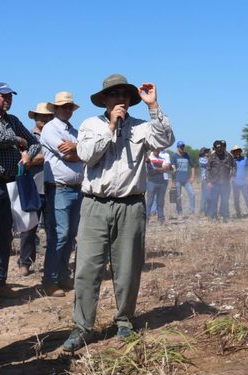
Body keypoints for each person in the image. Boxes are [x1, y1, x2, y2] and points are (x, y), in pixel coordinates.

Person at [62, 74, 174, 352]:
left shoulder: (141, 127)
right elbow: (87, 155)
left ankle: (124, 320)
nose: (119, 99)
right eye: (114, 95)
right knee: (87, 268)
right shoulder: (90, 125)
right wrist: (111, 126)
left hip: (130, 205)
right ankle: (82, 326)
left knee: (128, 267)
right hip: (94, 205)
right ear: (104, 100)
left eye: (124, 95)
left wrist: (153, 106)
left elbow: (165, 139)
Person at [0, 82, 41, 307]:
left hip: (10, 182)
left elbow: (35, 143)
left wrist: (27, 156)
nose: (7, 100)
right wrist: (17, 141)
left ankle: (1, 283)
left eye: (10, 96)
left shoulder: (13, 120)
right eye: (3, 96)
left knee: (5, 236)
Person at [40, 92, 83, 297]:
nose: (66, 110)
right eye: (63, 106)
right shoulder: (50, 128)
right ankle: (50, 279)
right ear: (55, 109)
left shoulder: (73, 131)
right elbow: (68, 154)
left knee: (70, 235)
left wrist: (78, 150)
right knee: (60, 234)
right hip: (58, 188)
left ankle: (63, 274)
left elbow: (81, 153)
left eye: (69, 107)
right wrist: (80, 151)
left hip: (76, 188)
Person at [18, 102, 53, 276]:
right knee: (29, 227)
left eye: (48, 117)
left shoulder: (54, 133)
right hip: (33, 186)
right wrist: (43, 156)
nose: (45, 119)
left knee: (51, 228)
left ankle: (51, 264)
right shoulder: (28, 136)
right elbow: (24, 159)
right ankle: (25, 262)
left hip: (51, 186)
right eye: (42, 117)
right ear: (36, 118)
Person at [207, 140, 234, 222]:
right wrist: (209, 181)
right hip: (214, 183)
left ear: (222, 147)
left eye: (220, 148)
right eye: (217, 148)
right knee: (214, 201)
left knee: (225, 200)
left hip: (225, 183)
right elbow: (208, 170)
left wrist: (232, 174)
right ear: (214, 148)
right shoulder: (211, 157)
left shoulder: (228, 156)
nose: (219, 149)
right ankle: (214, 217)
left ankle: (225, 217)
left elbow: (234, 166)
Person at [146, 148, 171, 224]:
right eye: (156, 150)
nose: (157, 151)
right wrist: (161, 169)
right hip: (151, 182)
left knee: (160, 202)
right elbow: (150, 170)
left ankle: (161, 219)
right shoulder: (149, 158)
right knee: (149, 202)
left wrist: (156, 169)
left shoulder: (162, 158)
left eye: (158, 150)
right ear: (153, 150)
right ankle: (146, 219)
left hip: (161, 182)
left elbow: (166, 168)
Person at [171, 141, 195, 217]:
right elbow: (173, 170)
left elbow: (192, 166)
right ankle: (179, 211)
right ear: (177, 147)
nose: (182, 148)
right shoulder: (174, 156)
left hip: (186, 180)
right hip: (177, 179)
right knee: (178, 197)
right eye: (180, 147)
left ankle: (192, 211)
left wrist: (192, 177)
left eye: (183, 147)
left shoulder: (187, 155)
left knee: (192, 194)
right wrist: (173, 181)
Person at [231, 144, 248, 218]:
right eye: (235, 151)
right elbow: (229, 170)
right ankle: (238, 213)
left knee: (247, 197)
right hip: (235, 183)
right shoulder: (232, 161)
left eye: (238, 151)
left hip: (244, 182)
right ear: (233, 152)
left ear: (240, 151)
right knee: (236, 199)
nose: (237, 152)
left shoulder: (245, 159)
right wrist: (231, 177)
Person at [198, 147, 210, 216]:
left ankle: (206, 210)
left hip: (209, 180)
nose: (207, 153)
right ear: (202, 153)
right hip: (205, 180)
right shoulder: (201, 159)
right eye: (206, 152)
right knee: (205, 195)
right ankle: (202, 210)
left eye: (207, 151)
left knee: (208, 195)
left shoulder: (208, 159)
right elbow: (208, 163)